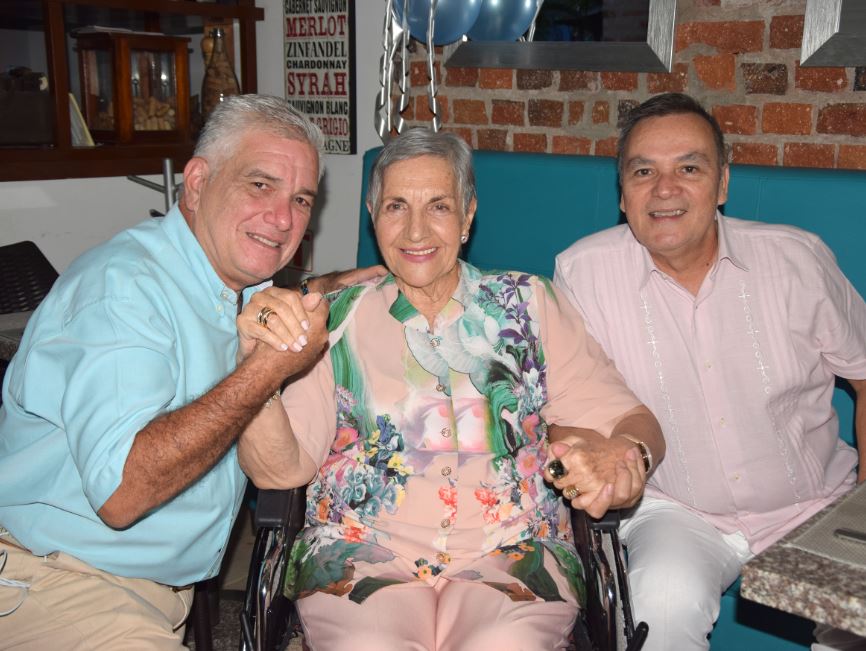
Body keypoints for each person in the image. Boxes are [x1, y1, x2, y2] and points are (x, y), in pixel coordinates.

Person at [237, 127, 664, 651]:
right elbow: (280, 470)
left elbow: (631, 421)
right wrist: (255, 368)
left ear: (467, 217)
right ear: (374, 217)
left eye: (438, 205)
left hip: (513, 548)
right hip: (360, 547)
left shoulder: (528, 306)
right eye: (396, 206)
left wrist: (626, 459)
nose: (416, 229)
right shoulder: (334, 319)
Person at [0, 94, 381, 648]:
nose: (282, 218)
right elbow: (122, 492)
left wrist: (328, 286)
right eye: (259, 185)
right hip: (55, 581)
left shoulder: (230, 280)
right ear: (197, 182)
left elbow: (267, 295)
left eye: (301, 199)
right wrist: (266, 372)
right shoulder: (123, 289)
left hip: (138, 590)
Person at [554, 92, 866, 651]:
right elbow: (566, 406)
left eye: (689, 168)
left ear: (722, 184)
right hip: (679, 510)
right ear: (622, 193)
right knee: (658, 606)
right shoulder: (583, 273)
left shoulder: (796, 260)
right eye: (644, 171)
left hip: (814, 502)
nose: (664, 189)